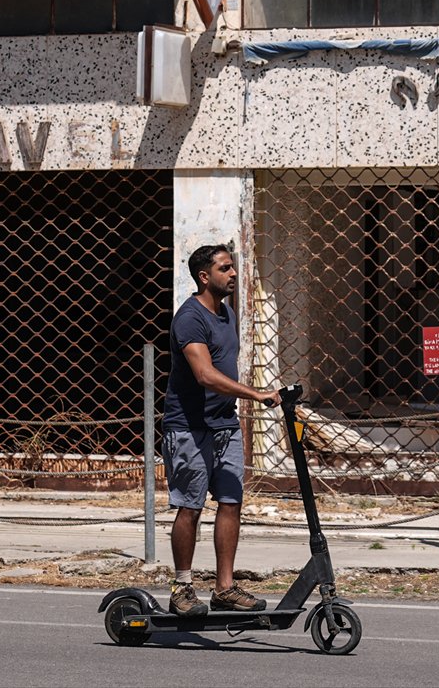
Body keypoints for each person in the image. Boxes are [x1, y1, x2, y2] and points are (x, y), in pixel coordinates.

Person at [162, 244, 279, 616]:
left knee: (231, 503)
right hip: (189, 427)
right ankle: (182, 587)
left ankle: (224, 588)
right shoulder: (190, 318)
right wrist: (256, 395)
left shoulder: (226, 314)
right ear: (204, 276)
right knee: (190, 507)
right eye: (225, 268)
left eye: (232, 267)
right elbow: (205, 375)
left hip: (224, 425)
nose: (233, 274)